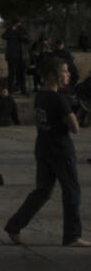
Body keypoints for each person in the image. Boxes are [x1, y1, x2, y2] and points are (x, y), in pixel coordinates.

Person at [5, 57, 89, 247]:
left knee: (42, 191)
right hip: (61, 149)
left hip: (43, 147)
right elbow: (75, 128)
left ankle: (15, 225)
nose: (68, 75)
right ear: (52, 76)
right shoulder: (59, 98)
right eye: (64, 72)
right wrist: (72, 108)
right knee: (72, 192)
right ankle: (72, 235)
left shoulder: (41, 95)